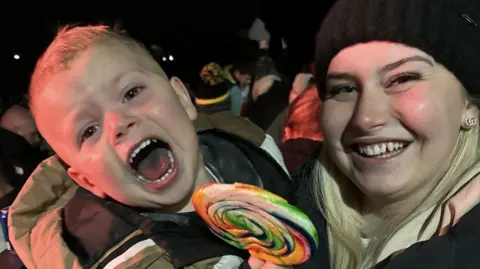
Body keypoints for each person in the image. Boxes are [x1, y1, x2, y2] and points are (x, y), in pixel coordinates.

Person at [8, 25, 292, 269]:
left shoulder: (247, 142)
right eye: (89, 130)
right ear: (87, 181)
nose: (119, 123)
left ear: (182, 98)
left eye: (131, 93)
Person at [294, 0, 480, 268]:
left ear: (469, 105)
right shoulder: (288, 213)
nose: (366, 118)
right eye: (344, 89)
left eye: (402, 79)